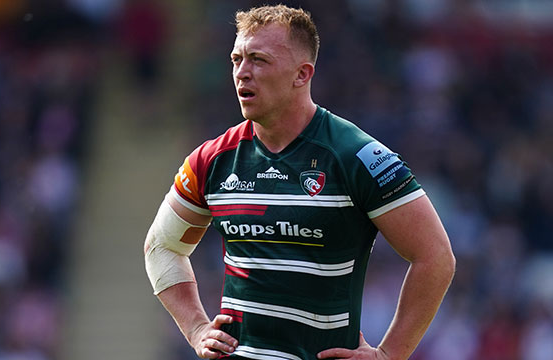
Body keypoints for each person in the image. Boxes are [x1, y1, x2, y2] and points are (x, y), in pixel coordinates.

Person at [144, 5, 455, 360]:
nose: (242, 73)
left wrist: (390, 354)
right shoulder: (212, 159)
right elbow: (161, 248)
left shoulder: (357, 156)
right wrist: (196, 327)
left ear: (302, 74)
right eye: (236, 59)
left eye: (259, 60)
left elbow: (435, 256)